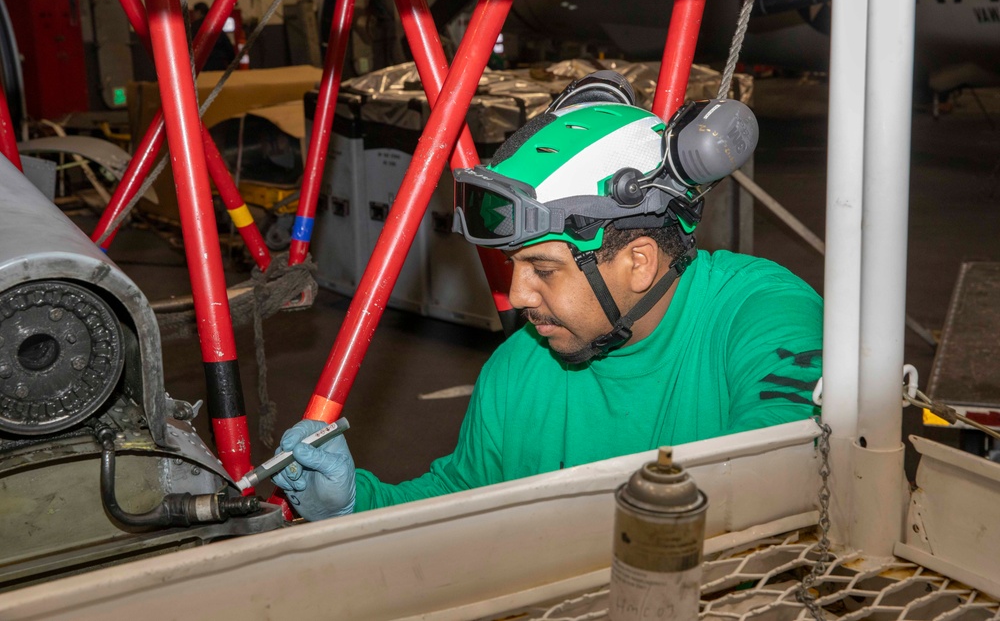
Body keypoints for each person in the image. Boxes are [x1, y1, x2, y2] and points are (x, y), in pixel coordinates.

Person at [274, 71, 823, 521]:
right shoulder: (518, 367)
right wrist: (354, 506)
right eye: (513, 265)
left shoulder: (762, 313)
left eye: (542, 269)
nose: (517, 295)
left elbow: (787, 463)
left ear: (639, 262)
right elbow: (463, 503)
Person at [190, 1, 236, 71]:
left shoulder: (194, 27)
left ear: (198, 12)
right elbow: (227, 46)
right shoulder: (215, 25)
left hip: (201, 65)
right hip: (219, 63)